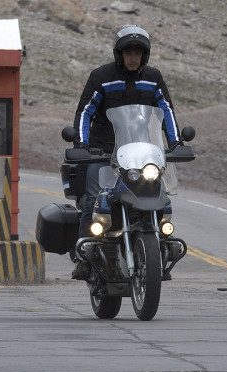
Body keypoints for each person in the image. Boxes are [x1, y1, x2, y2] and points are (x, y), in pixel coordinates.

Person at [70, 25, 181, 280]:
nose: (133, 57)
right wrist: (83, 146)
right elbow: (85, 112)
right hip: (104, 152)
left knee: (158, 193)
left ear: (146, 54)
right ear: (118, 54)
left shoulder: (153, 78)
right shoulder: (101, 76)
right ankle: (84, 256)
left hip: (141, 151)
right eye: (128, 52)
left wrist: (175, 143)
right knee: (94, 198)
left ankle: (162, 246)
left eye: (139, 52)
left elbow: (166, 111)